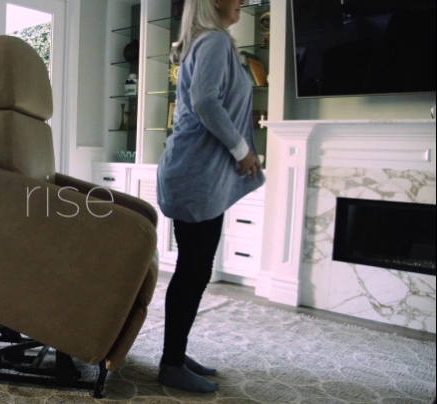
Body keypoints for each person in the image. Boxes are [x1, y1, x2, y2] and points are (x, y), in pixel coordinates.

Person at [156, 0, 265, 393]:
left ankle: (175, 353)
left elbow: (205, 100)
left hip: (195, 172)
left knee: (193, 269)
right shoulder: (214, 41)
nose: (242, 2)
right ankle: (171, 364)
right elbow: (205, 101)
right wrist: (242, 149)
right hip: (194, 175)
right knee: (194, 271)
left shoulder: (208, 42)